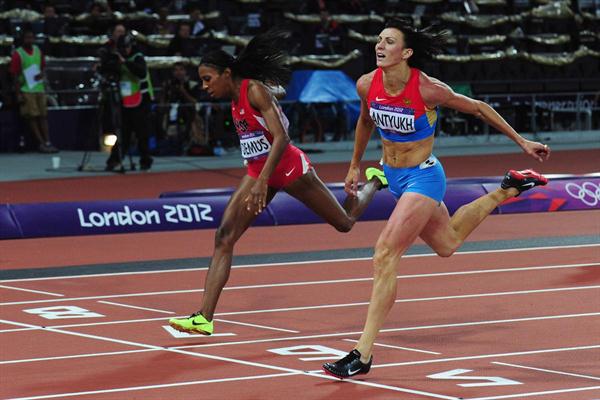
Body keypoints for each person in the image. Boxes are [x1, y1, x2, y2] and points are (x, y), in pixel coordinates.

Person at [322, 19, 550, 379]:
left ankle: (362, 353)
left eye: (389, 42)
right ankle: (508, 188)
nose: (379, 46)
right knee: (448, 242)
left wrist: (522, 141)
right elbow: (365, 121)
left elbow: (477, 107)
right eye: (379, 40)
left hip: (423, 177)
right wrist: (354, 165)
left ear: (407, 52)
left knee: (385, 253)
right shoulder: (367, 83)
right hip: (394, 177)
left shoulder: (428, 89)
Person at [168, 30, 384, 336]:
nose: (204, 86)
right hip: (259, 171)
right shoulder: (237, 95)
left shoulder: (253, 90)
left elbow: (282, 138)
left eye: (207, 79)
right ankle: (205, 317)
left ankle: (375, 181)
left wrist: (263, 181)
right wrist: (259, 178)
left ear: (226, 74)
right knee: (224, 236)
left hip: (288, 168)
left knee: (345, 222)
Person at [99, 30, 154, 171]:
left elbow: (141, 72)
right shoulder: (118, 58)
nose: (124, 51)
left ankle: (145, 160)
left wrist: (126, 62)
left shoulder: (137, 57)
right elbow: (108, 68)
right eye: (121, 49)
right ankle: (115, 159)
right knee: (123, 132)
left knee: (142, 133)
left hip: (141, 101)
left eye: (126, 48)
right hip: (125, 101)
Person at [10, 27, 58, 153]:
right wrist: (18, 94)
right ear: (23, 39)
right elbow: (14, 75)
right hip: (26, 89)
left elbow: (42, 68)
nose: (29, 40)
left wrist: (41, 74)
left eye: (31, 37)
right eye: (27, 38)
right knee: (32, 117)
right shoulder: (18, 54)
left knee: (43, 116)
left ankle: (48, 141)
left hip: (39, 88)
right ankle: (41, 143)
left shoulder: (38, 51)